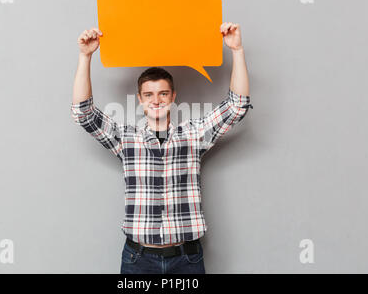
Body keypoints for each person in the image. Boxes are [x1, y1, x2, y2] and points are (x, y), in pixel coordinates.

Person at [71, 22, 253, 274]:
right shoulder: (127, 139)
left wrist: (237, 50)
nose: (156, 100)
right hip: (139, 260)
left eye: (163, 94)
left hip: (186, 259)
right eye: (149, 95)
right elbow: (84, 114)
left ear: (173, 96)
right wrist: (85, 56)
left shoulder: (193, 135)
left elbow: (237, 106)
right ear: (140, 99)